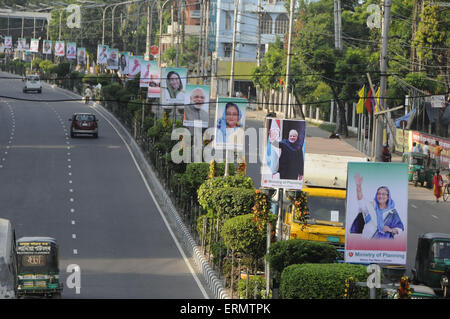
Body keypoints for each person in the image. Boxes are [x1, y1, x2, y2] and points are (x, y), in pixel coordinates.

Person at [350, 173, 404, 239]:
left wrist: (390, 230)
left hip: (384, 245)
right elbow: (361, 200)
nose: (381, 196)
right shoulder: (371, 207)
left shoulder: (392, 212)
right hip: (367, 243)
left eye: (384, 194)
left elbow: (400, 228)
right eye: (379, 194)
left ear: (388, 197)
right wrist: (358, 187)